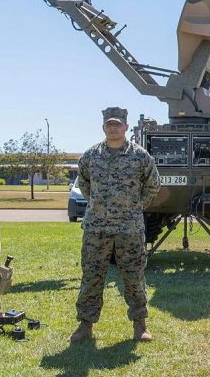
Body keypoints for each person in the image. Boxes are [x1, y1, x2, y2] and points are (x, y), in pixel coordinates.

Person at [69, 107, 160, 343]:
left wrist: (134, 207)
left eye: (117, 124)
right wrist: (100, 207)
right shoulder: (91, 155)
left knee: (133, 277)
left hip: (129, 228)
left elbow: (152, 185)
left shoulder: (140, 156)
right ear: (103, 128)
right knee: (92, 276)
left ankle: (140, 324)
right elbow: (85, 184)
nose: (113, 128)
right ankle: (85, 325)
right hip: (96, 228)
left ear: (126, 127)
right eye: (109, 124)